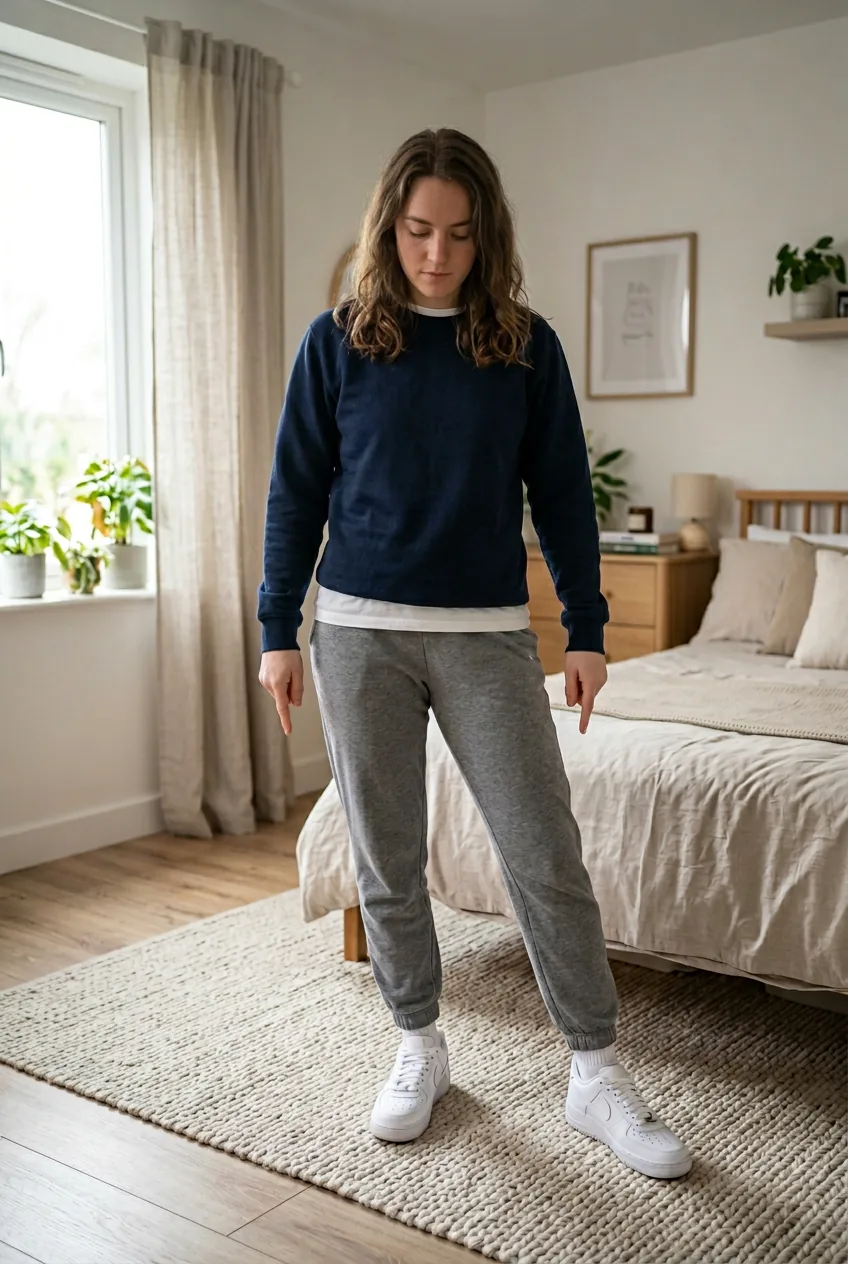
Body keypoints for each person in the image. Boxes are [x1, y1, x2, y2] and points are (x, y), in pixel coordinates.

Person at [258, 128, 692, 1181]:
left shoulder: (524, 348)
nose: (435, 254)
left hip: (487, 636)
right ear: (388, 228)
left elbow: (561, 493)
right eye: (415, 232)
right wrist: (277, 628)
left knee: (542, 852)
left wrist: (586, 628)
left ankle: (593, 1072)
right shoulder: (337, 343)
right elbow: (294, 491)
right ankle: (417, 1043)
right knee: (386, 857)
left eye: (456, 234)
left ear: (485, 233)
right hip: (355, 633)